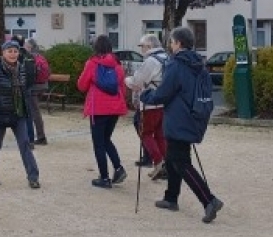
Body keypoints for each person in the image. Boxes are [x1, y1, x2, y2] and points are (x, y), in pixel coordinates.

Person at [141, 26, 224, 223]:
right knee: (172, 158)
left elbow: (163, 93)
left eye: (171, 42)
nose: (170, 45)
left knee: (180, 162)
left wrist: (146, 95)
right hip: (195, 114)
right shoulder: (199, 64)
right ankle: (171, 197)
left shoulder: (176, 65)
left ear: (178, 43)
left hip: (179, 117)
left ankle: (209, 200)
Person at [0, 40, 41, 189]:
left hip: (18, 113)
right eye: (10, 51)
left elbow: (24, 90)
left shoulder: (21, 69)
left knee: (25, 144)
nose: (13, 54)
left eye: (15, 51)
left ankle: (33, 177)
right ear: (3, 53)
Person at [77, 34, 129, 188]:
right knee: (106, 139)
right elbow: (123, 87)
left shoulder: (92, 64)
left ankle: (104, 177)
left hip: (98, 108)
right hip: (115, 107)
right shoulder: (117, 65)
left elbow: (81, 85)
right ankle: (118, 168)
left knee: (98, 143)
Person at [125, 34, 168, 180]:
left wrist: (127, 80)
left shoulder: (151, 61)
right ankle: (166, 164)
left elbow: (137, 82)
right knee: (161, 135)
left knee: (146, 133)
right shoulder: (167, 58)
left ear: (149, 46)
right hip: (164, 102)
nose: (141, 49)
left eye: (141, 46)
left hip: (150, 103)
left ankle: (158, 161)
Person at [24, 38, 49, 145]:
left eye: (26, 46)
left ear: (30, 47)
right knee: (35, 111)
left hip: (33, 87)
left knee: (34, 112)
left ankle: (40, 136)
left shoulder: (30, 58)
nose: (24, 47)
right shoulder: (40, 56)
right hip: (43, 85)